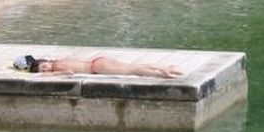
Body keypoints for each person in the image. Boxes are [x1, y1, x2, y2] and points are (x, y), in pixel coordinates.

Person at [12, 53, 183, 78]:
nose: (46, 69)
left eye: (44, 67)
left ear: (47, 62)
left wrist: (49, 75)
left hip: (97, 68)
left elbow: (69, 73)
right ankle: (163, 69)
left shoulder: (57, 67)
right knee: (132, 67)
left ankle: (162, 70)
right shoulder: (58, 60)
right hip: (98, 62)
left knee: (133, 70)